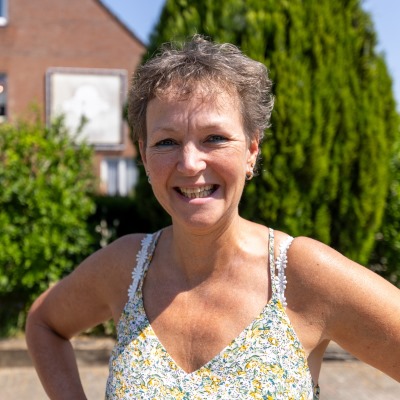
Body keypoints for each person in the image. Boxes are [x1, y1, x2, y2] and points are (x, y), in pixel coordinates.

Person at [26, 35, 400, 399]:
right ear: (144, 156)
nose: (190, 163)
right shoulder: (126, 268)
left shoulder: (302, 274)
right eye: (167, 142)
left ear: (251, 149)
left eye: (215, 138)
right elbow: (44, 324)